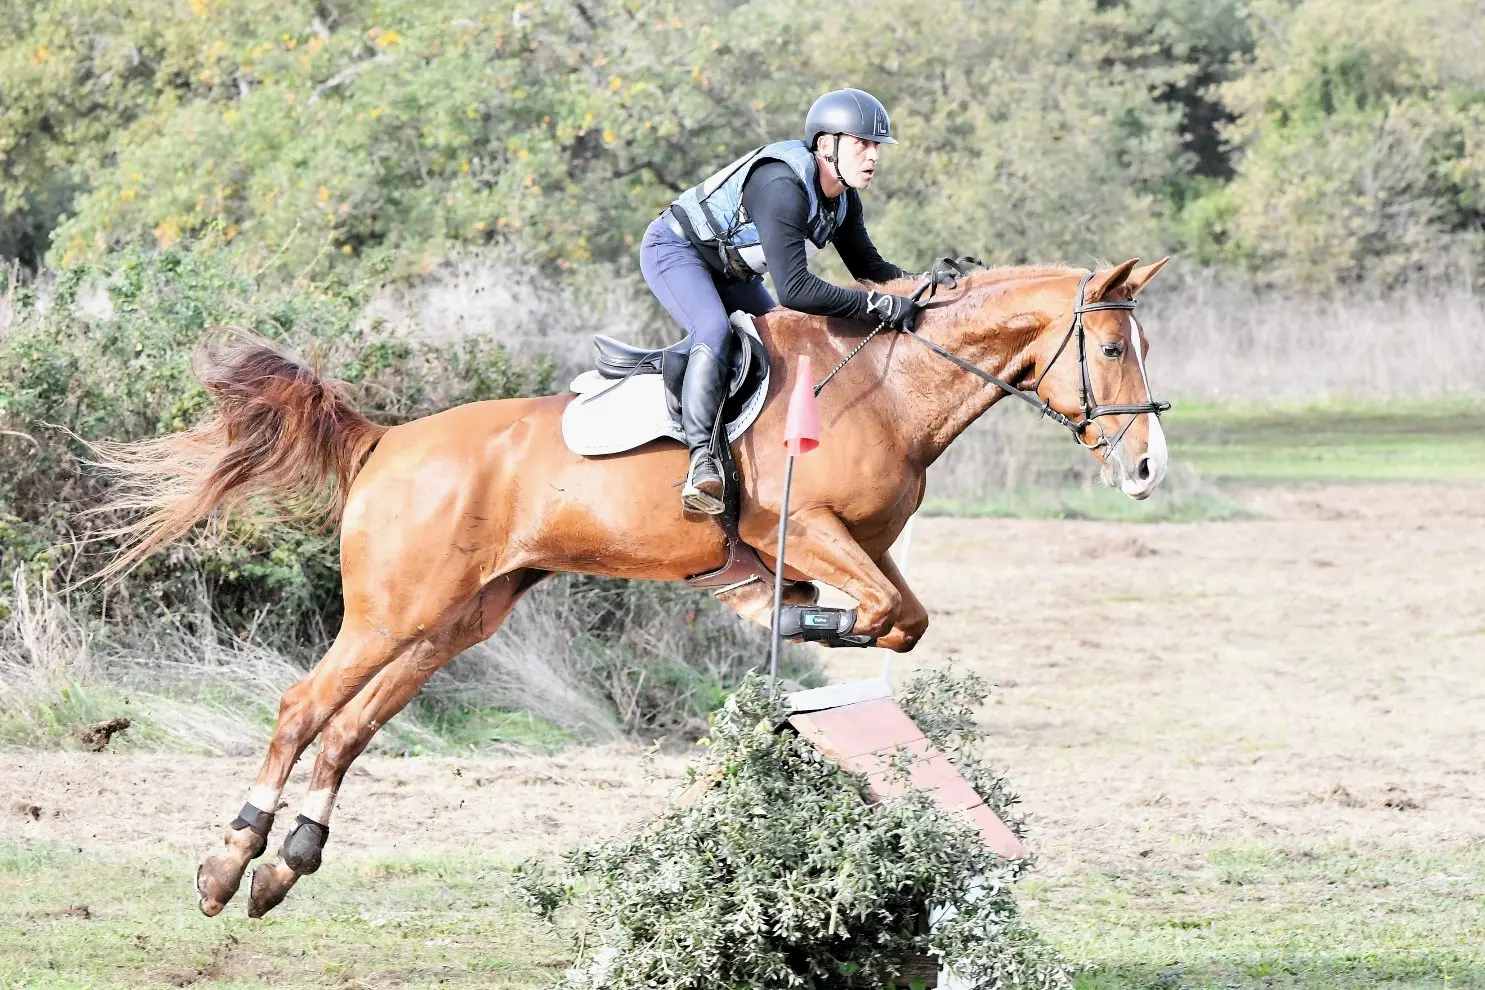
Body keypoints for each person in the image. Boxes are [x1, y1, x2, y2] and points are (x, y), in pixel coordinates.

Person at [640, 88, 921, 514]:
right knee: (714, 330)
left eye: (877, 146)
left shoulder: (843, 199)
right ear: (826, 145)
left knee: (785, 342)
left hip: (733, 272)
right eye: (862, 144)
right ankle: (702, 461)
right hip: (675, 250)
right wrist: (874, 306)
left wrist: (926, 288)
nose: (873, 156)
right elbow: (795, 291)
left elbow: (870, 267)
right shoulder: (782, 186)